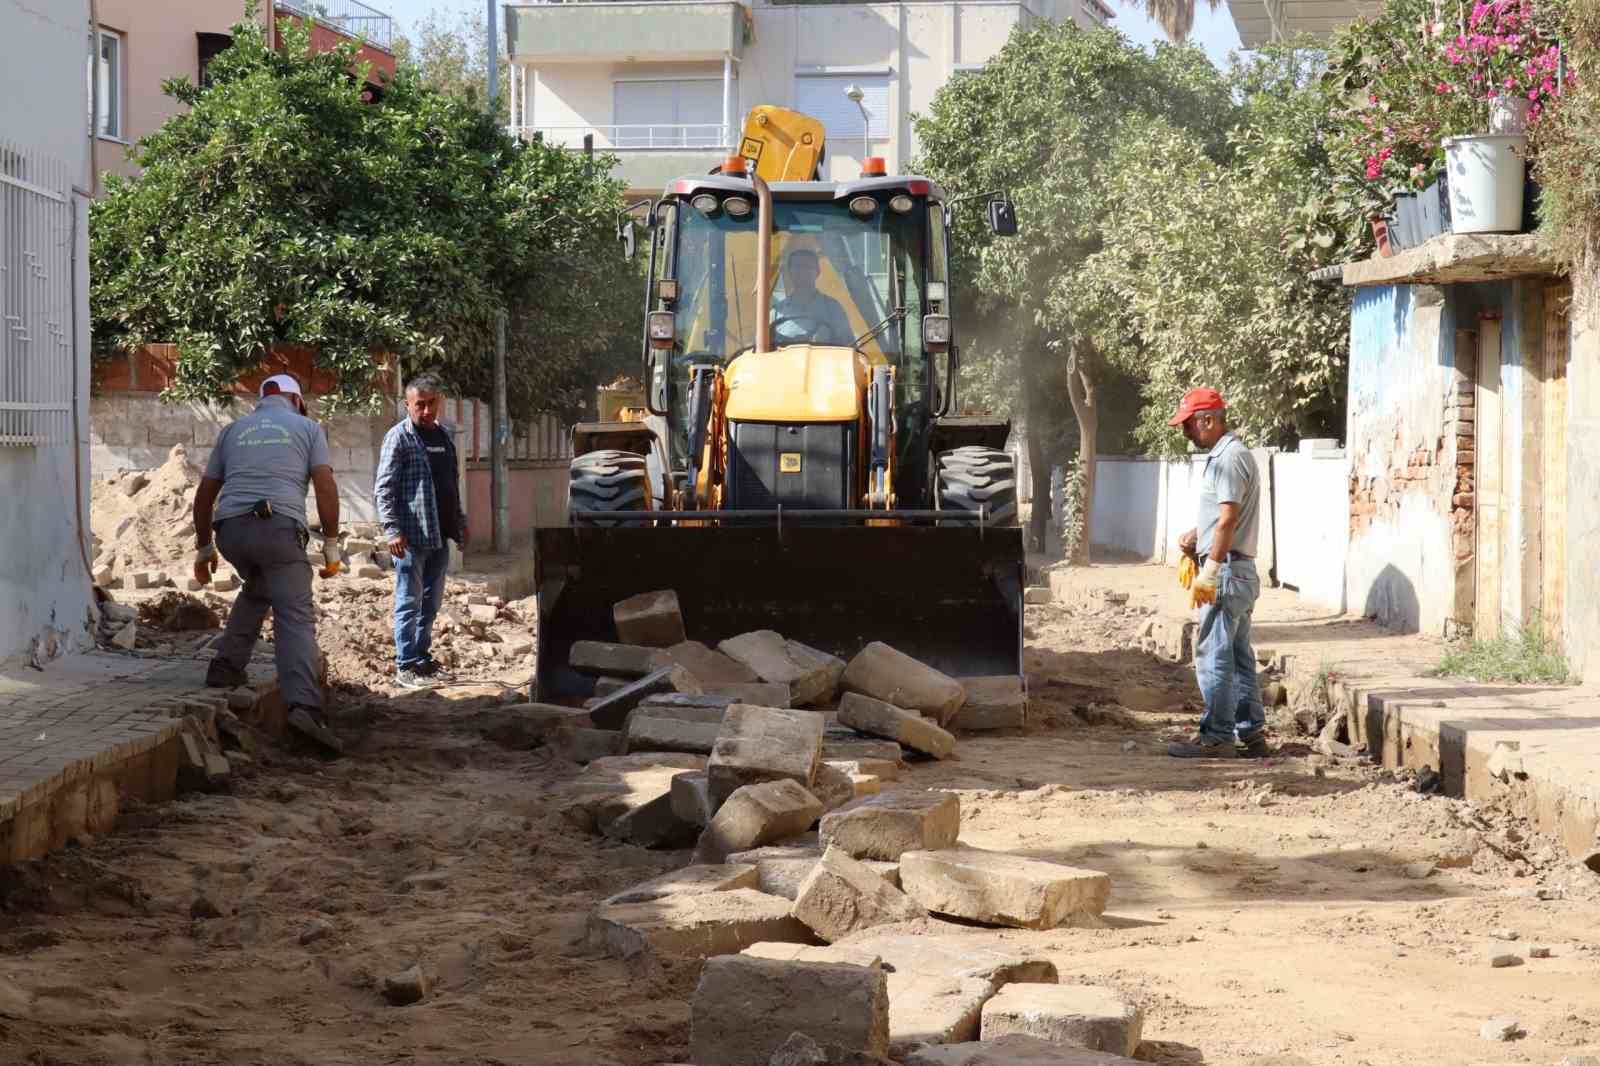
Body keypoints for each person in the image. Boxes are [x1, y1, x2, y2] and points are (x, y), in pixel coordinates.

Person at [192, 373, 343, 755]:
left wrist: (204, 548)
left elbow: (206, 492)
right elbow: (325, 485)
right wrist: (330, 542)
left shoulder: (232, 431)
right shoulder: (308, 427)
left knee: (258, 586)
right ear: (295, 400)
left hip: (230, 532)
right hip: (277, 528)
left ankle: (225, 668)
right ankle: (305, 708)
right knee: (294, 613)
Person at [1165, 387, 1269, 760]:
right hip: (1237, 570)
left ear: (1208, 420)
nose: (1186, 433)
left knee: (1213, 654)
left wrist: (1209, 569)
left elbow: (1228, 518)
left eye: (1189, 425)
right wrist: (1198, 536)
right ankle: (1251, 735)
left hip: (1225, 573)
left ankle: (1218, 737)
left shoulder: (1227, 459)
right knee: (1239, 656)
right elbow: (1223, 519)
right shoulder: (1232, 456)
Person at [374, 373, 467, 690]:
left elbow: (450, 485)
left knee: (431, 603)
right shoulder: (398, 437)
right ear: (407, 405)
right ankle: (405, 666)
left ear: (439, 402)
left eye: (431, 404)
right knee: (407, 602)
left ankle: (422, 659)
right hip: (410, 538)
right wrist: (392, 530)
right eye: (419, 405)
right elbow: (383, 489)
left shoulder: (443, 436)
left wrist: (460, 522)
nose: (426, 411)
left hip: (439, 535)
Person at [772, 248, 854, 347]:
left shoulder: (833, 308)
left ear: (818, 272)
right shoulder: (776, 312)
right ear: (789, 271)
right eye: (797, 267)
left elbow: (847, 347)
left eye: (807, 267)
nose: (802, 271)